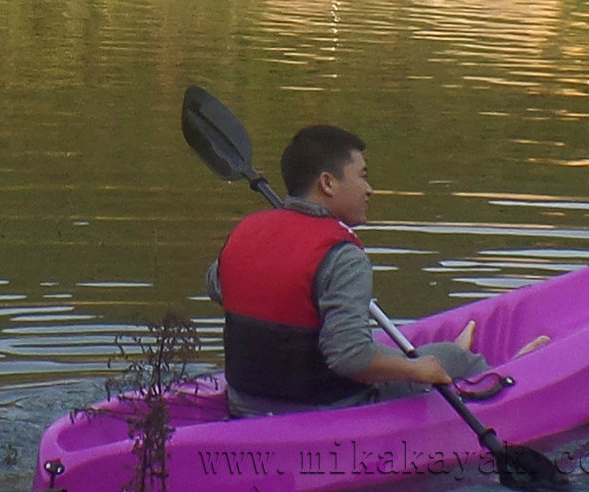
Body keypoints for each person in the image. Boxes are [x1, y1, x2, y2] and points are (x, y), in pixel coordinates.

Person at [206, 124, 488, 416]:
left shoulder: (245, 233)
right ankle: (502, 376)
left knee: (432, 354)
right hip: (326, 409)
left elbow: (216, 286)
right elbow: (350, 359)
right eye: (362, 176)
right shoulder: (344, 257)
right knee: (453, 358)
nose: (369, 189)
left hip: (245, 404)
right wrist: (416, 369)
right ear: (327, 183)